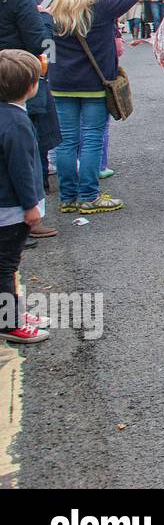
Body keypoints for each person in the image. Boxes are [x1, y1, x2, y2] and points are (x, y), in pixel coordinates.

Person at [46, 0, 139, 214]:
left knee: (65, 141)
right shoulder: (102, 2)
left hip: (60, 82)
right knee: (92, 139)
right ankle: (89, 195)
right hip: (96, 82)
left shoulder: (51, 2)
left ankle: (68, 198)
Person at [1, 0, 59, 225]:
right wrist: (46, 20)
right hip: (15, 76)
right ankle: (28, 214)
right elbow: (41, 44)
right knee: (25, 146)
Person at [0, 50, 49, 343]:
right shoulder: (17, 123)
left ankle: (12, 311)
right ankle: (9, 322)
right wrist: (31, 206)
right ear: (30, 86)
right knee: (6, 266)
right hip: (12, 209)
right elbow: (21, 169)